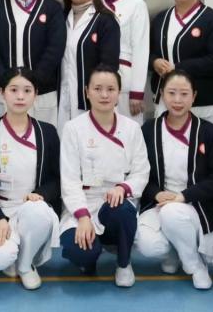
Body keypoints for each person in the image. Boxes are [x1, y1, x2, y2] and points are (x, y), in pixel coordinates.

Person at [137, 70, 213, 290]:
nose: (178, 100)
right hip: (159, 203)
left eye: (184, 94)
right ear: (162, 94)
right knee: (148, 245)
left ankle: (194, 265)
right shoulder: (149, 130)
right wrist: (156, 193)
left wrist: (184, 196)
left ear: (194, 96)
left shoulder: (208, 132)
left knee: (173, 213)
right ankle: (176, 250)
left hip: (196, 204)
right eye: (171, 93)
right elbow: (138, 172)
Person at [0, 68, 61, 290]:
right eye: (13, 90)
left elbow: (58, 179)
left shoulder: (47, 133)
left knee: (38, 212)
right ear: (2, 93)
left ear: (36, 94)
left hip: (30, 208)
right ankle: (13, 254)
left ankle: (26, 264)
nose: (20, 96)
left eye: (27, 91)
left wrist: (41, 194)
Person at [59, 66, 149, 287]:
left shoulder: (132, 128)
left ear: (119, 93)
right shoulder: (73, 128)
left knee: (123, 209)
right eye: (97, 88)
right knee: (81, 252)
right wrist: (82, 217)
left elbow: (141, 171)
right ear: (87, 92)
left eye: (111, 89)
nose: (104, 95)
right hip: (83, 202)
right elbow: (69, 179)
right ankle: (89, 258)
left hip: (114, 202)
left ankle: (124, 263)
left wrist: (123, 188)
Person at [149, 0, 213, 127]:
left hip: (201, 101)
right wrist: (154, 62)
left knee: (200, 141)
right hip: (165, 99)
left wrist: (179, 67)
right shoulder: (161, 19)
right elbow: (148, 52)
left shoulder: (211, 19)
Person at [58, 0, 121, 129]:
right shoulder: (60, 18)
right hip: (63, 100)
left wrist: (99, 95)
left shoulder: (105, 20)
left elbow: (109, 65)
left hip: (93, 103)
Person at [100, 0, 150, 119]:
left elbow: (141, 49)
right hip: (98, 81)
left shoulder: (137, 4)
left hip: (125, 83)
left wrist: (137, 92)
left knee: (127, 130)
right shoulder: (95, 2)